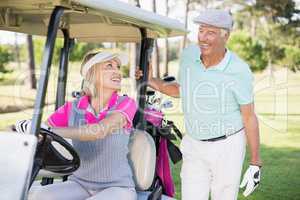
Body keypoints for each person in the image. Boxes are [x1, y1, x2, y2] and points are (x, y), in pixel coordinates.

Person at [136, 9, 261, 200]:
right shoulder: (189, 56)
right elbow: (180, 90)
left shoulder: (239, 70)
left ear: (225, 36)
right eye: (201, 30)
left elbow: (249, 116)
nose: (203, 37)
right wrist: (151, 79)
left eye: (210, 32)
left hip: (228, 146)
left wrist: (255, 162)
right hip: (194, 143)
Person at [16, 51, 138, 200]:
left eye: (118, 67)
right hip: (80, 184)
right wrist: (25, 128)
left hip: (118, 187)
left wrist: (49, 130)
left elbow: (97, 131)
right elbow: (42, 129)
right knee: (35, 195)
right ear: (91, 73)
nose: (117, 71)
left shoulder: (125, 104)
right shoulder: (72, 108)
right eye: (109, 66)